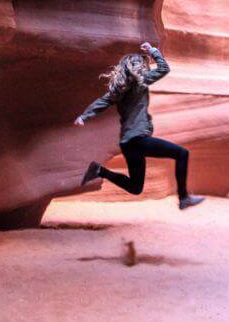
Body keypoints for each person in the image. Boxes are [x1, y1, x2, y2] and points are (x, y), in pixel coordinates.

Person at [74, 42, 205, 210]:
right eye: (143, 65)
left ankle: (99, 171)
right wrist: (152, 51)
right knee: (182, 153)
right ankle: (184, 198)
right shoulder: (139, 83)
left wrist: (84, 116)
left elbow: (102, 102)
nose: (145, 68)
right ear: (136, 68)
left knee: (136, 187)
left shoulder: (118, 90)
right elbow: (164, 68)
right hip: (138, 140)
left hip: (128, 144)